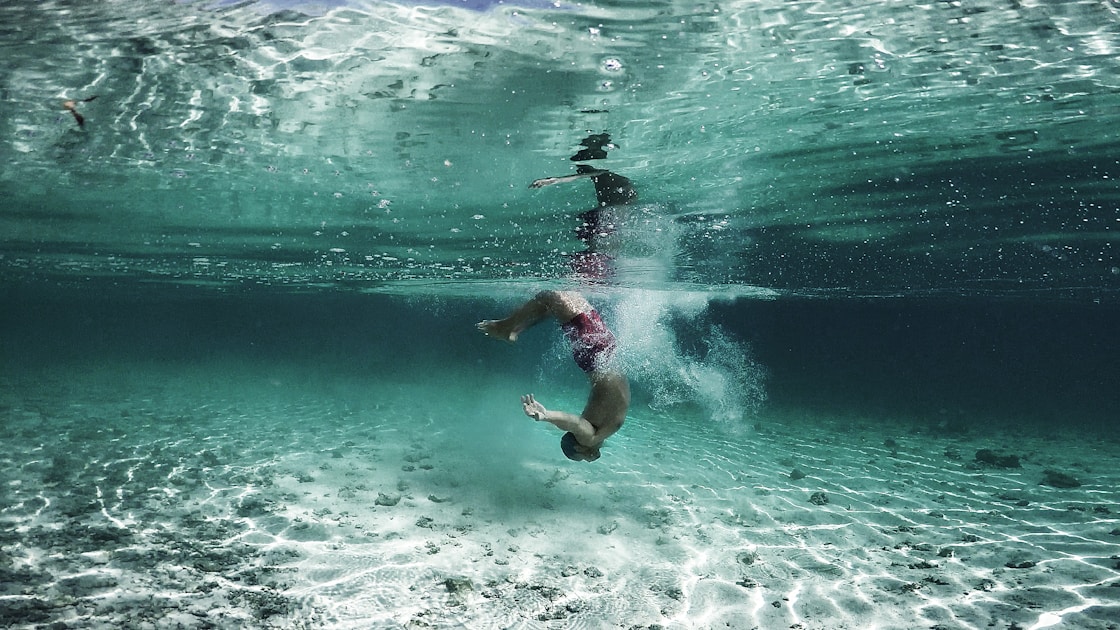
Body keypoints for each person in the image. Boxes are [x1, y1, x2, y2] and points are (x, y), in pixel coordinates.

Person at [477, 290, 630, 462]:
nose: (589, 459)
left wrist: (547, 415)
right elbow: (575, 425)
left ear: (579, 446)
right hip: (601, 354)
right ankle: (516, 329)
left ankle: (505, 327)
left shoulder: (589, 438)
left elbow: (574, 424)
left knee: (549, 297)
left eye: (581, 457)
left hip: (596, 353)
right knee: (563, 298)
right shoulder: (600, 433)